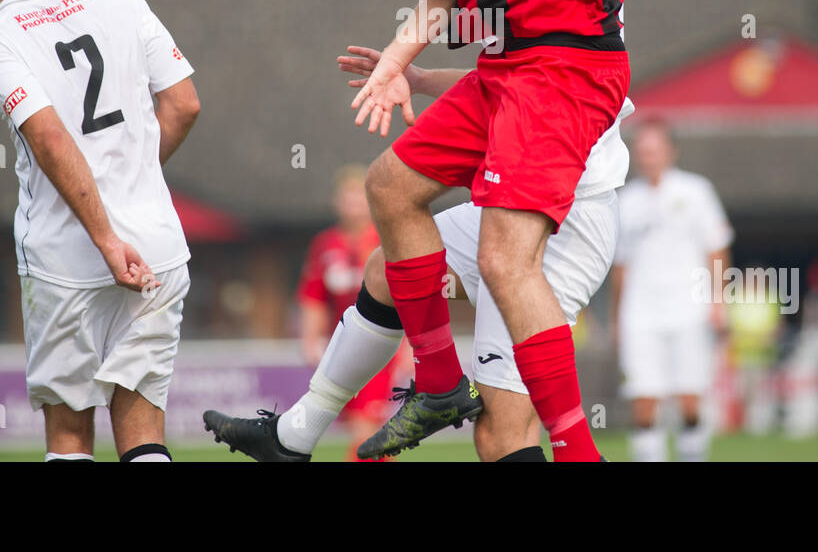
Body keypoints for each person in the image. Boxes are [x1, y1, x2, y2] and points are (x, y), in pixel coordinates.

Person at [308, 0, 629, 462]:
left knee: (502, 265)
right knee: (390, 187)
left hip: (559, 76)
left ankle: (581, 452)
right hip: (515, 73)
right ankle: (440, 382)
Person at [205, 33, 634, 461]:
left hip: (564, 212)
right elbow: (506, 79)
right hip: (513, 201)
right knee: (388, 266)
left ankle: (457, 395)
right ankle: (296, 433)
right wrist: (421, 77)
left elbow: (546, 84)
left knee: (501, 435)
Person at [0, 0, 200, 462]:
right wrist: (130, 185)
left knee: (68, 438)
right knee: (145, 432)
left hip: (67, 259)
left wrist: (107, 238)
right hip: (157, 245)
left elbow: (50, 139)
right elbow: (183, 105)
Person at [612, 122, 732, 462]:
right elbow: (621, 265)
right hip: (640, 314)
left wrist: (717, 301)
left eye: (654, 149)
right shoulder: (625, 200)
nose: (648, 156)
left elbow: (717, 249)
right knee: (643, 399)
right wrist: (618, 316)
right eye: (643, 150)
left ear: (670, 151)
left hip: (688, 309)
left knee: (689, 398)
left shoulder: (696, 192)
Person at [297, 165, 409, 461]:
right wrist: (311, 340)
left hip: (379, 343)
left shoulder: (386, 241)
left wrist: (411, 345)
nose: (354, 204)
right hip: (341, 346)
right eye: (347, 197)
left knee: (366, 429)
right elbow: (314, 296)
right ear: (337, 202)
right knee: (370, 432)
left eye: (359, 197)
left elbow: (408, 297)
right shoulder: (325, 245)